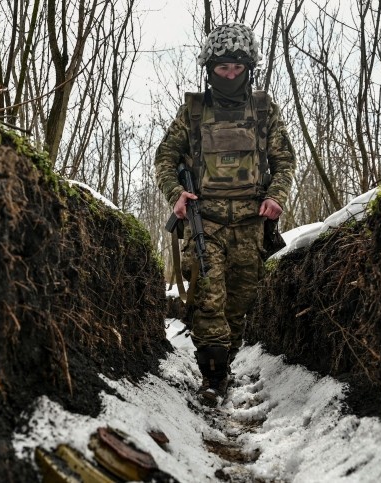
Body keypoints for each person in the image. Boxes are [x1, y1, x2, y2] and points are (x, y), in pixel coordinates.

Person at [155, 23, 296, 407]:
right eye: (223, 69)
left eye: (237, 68)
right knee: (208, 300)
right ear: (209, 68)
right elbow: (165, 158)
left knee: (239, 304)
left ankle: (225, 362)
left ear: (249, 67)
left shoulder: (264, 109)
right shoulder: (194, 111)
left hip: (252, 225)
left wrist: (276, 196)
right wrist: (176, 194)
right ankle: (213, 378)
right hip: (207, 224)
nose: (231, 75)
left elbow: (285, 161)